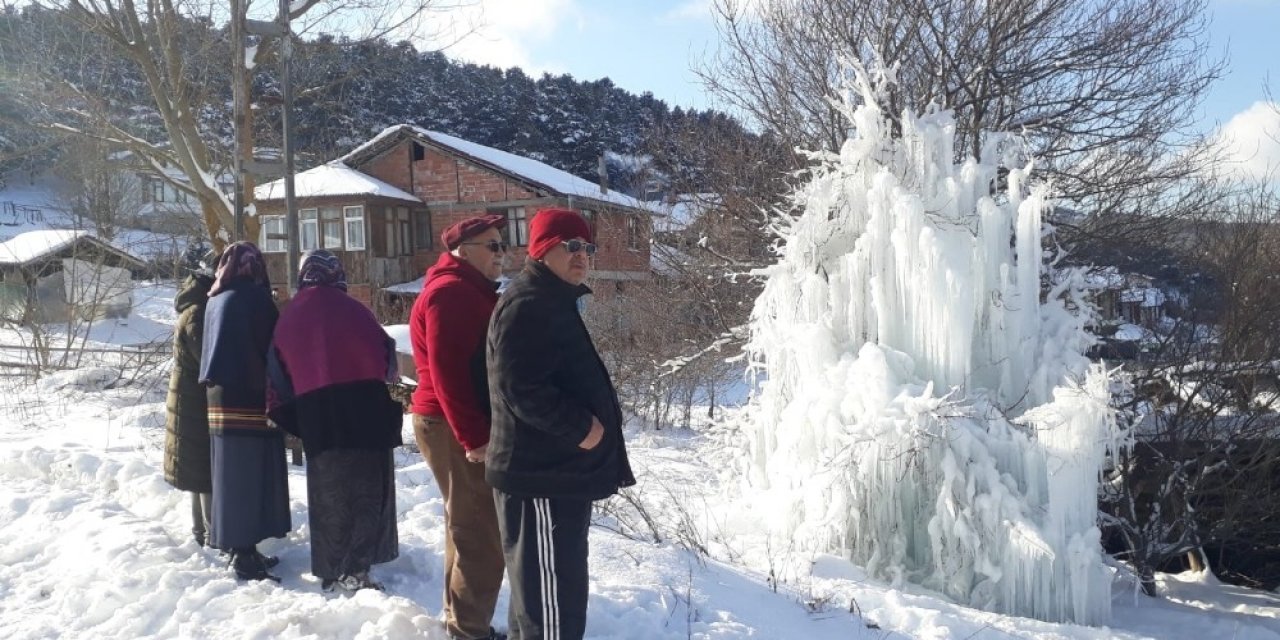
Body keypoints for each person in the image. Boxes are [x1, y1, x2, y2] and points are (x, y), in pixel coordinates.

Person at [485, 208, 636, 640]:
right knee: (551, 611)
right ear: (542, 249)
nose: (582, 256)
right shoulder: (529, 304)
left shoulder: (549, 299)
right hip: (541, 480)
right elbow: (521, 387)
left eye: (586, 247)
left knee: (542, 600)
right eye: (570, 246)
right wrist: (582, 429)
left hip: (551, 476)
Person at [266, 250, 403, 592]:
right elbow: (388, 361)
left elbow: (277, 375)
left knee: (330, 495)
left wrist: (292, 416)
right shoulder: (356, 309)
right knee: (367, 493)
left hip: (319, 417)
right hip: (366, 412)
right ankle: (358, 569)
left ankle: (332, 567)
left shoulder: (290, 314)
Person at [410, 214, 509, 640]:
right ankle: (469, 631)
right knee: (482, 535)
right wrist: (476, 437)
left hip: (451, 423)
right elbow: (450, 374)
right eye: (492, 246)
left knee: (467, 525)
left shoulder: (468, 290)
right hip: (452, 425)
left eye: (502, 246)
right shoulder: (450, 294)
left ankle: (461, 622)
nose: (501, 255)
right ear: (462, 251)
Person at [199, 241, 291, 582]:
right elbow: (274, 347)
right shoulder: (255, 299)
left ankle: (241, 547)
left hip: (218, 396)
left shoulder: (215, 298)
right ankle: (243, 554)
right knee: (250, 475)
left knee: (230, 473)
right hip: (250, 395)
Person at [163, 250, 216, 547]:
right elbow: (206, 357)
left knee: (198, 469)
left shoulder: (194, 305)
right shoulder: (198, 312)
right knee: (203, 468)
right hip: (194, 399)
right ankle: (210, 534)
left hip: (189, 396)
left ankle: (203, 532)